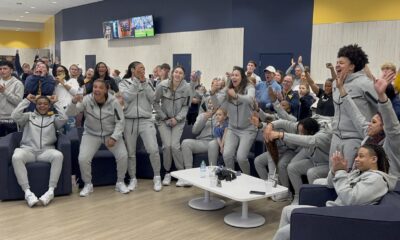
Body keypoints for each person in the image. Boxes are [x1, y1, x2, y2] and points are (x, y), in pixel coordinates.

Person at [272, 144, 398, 240]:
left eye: (361, 156)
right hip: (331, 211)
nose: (356, 159)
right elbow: (331, 184)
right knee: (287, 210)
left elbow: (350, 199)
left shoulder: (376, 180)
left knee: (284, 233)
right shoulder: (360, 173)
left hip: (339, 219)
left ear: (374, 159)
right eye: (356, 156)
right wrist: (334, 170)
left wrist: (341, 172)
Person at [66, 79, 129, 197]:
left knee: (123, 156)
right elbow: (70, 113)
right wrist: (73, 102)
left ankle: (120, 182)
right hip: (91, 134)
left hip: (110, 134)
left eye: (100, 87)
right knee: (83, 158)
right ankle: (88, 184)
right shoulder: (86, 100)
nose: (97, 90)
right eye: (95, 87)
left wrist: (114, 137)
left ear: (106, 90)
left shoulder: (114, 102)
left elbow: (120, 122)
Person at [337, 69, 400, 178]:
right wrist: (341, 88)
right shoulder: (369, 134)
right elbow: (354, 114)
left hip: (384, 187)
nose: (369, 124)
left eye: (374, 122)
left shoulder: (392, 142)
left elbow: (392, 125)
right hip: (358, 180)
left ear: (384, 126)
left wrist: (381, 96)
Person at [11, 94, 67, 207]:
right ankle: (27, 193)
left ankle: (50, 192)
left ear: (49, 106)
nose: (42, 106)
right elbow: (15, 116)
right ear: (35, 105)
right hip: (28, 150)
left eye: (45, 104)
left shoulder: (53, 118)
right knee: (16, 156)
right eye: (39, 104)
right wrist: (26, 101)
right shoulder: (29, 116)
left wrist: (56, 103)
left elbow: (64, 118)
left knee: (58, 155)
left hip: (46, 151)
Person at [329, 44, 378, 170]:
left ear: (352, 66)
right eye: (337, 62)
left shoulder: (365, 83)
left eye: (341, 62)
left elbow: (382, 108)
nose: (337, 65)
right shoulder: (335, 84)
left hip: (355, 139)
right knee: (333, 176)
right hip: (336, 138)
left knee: (348, 179)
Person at [265, 117, 332, 204]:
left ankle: (314, 200)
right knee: (292, 167)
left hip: (327, 164)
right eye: (298, 131)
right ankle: (298, 196)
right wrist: (270, 126)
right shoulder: (302, 125)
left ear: (310, 132)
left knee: (311, 172)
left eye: (301, 132)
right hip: (315, 161)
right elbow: (283, 122)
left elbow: (309, 141)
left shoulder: (322, 136)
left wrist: (281, 135)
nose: (299, 134)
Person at [119, 61, 162, 192]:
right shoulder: (124, 83)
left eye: (144, 68)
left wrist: (144, 83)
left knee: (153, 149)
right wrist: (136, 82)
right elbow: (127, 97)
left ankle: (157, 176)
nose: (142, 71)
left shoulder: (147, 82)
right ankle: (133, 178)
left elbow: (152, 98)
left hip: (146, 120)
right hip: (129, 121)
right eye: (139, 69)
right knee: (131, 152)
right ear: (132, 70)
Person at [210, 66, 256, 174]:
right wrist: (212, 93)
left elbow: (250, 99)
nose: (234, 77)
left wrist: (236, 96)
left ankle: (247, 179)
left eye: (237, 75)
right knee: (226, 155)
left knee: (241, 158)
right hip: (232, 128)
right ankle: (231, 177)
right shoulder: (228, 90)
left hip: (248, 128)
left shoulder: (249, 87)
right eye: (232, 75)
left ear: (242, 77)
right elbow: (217, 105)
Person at [153, 65, 191, 186]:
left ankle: (181, 174)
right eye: (176, 72)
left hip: (178, 122)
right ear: (172, 73)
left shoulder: (187, 87)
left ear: (183, 75)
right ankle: (167, 173)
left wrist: (177, 118)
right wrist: (164, 116)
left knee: (175, 146)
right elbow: (154, 102)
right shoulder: (162, 85)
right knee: (167, 146)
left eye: (180, 73)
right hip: (163, 120)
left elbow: (186, 106)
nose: (178, 74)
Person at [175, 99, 219, 187]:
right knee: (185, 143)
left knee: (212, 144)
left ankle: (212, 176)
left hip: (215, 142)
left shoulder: (220, 113)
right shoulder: (202, 115)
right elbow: (194, 131)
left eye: (212, 103)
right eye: (208, 103)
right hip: (203, 142)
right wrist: (204, 117)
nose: (210, 105)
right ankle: (188, 176)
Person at [0, 60, 24, 137]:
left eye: (5, 68)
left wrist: (4, 92)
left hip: (11, 119)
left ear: (11, 70)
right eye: (0, 69)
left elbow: (18, 101)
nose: (2, 71)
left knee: (11, 144)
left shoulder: (18, 84)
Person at [54, 65, 79, 133]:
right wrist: (55, 84)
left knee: (71, 134)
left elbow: (76, 93)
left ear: (65, 72)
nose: (59, 72)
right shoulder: (54, 84)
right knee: (60, 134)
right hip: (58, 111)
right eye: (58, 71)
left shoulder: (72, 81)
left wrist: (63, 83)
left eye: (62, 71)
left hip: (68, 110)